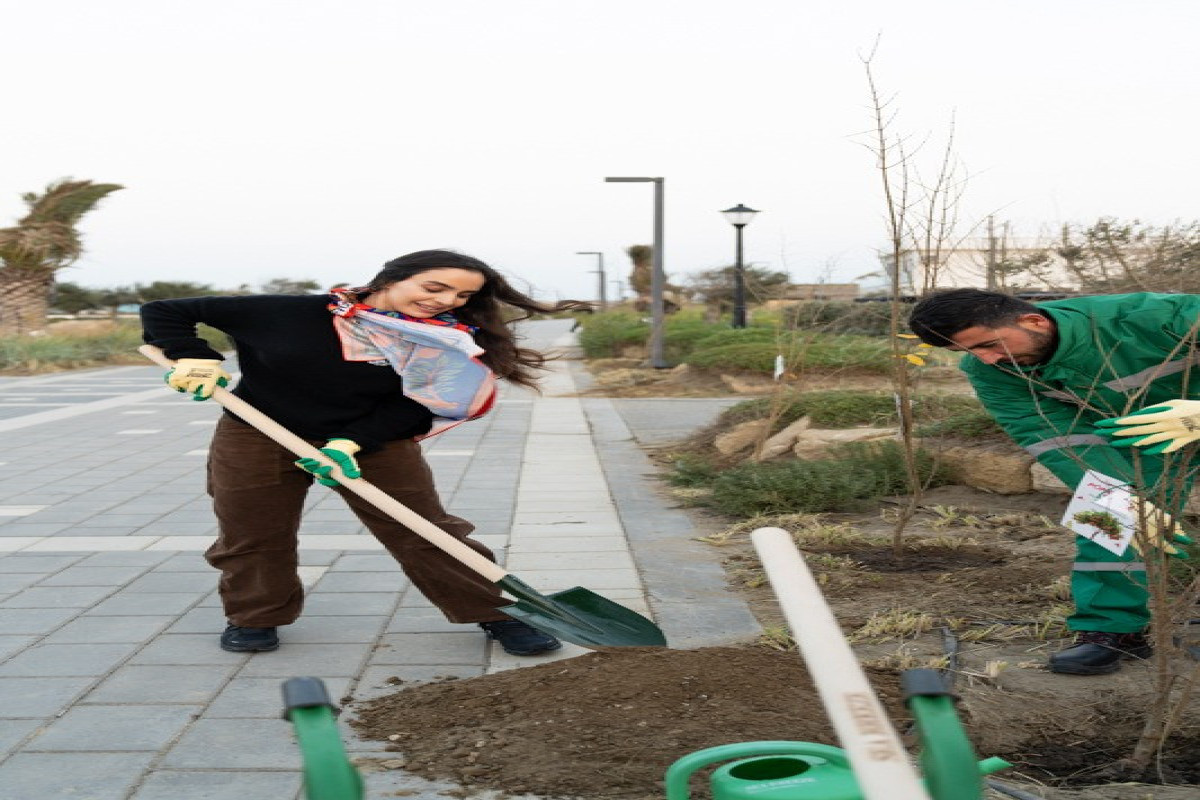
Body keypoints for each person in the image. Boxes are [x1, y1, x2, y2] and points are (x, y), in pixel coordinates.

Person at [140, 249, 588, 656]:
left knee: (423, 528)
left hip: (372, 440)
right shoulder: (289, 311)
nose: (446, 300)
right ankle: (254, 618)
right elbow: (167, 311)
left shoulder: (440, 341)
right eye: (434, 287)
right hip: (258, 431)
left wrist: (349, 443)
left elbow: (419, 404)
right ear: (390, 278)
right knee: (253, 529)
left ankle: (500, 613)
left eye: (461, 295)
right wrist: (192, 357)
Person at [908, 289, 1196, 676]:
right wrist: (1116, 495)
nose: (989, 359)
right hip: (1140, 433)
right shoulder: (994, 372)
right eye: (972, 352)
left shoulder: (1164, 315)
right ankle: (1112, 630)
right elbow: (1057, 437)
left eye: (990, 345)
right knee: (1105, 508)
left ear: (1034, 321)